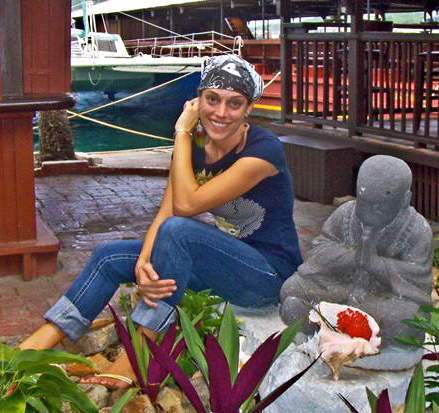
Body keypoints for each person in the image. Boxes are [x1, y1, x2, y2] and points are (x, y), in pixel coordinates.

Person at [20, 54, 303, 387]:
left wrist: (182, 131)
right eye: (212, 99)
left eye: (234, 104)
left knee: (179, 233)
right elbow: (166, 208)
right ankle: (38, 344)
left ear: (248, 109)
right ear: (198, 99)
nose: (221, 113)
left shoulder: (262, 151)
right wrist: (143, 265)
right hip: (223, 265)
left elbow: (185, 207)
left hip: (267, 276)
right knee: (108, 257)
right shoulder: (195, 145)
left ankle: (137, 353)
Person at [280, 155, 433, 368]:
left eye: (379, 207)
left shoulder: (417, 230)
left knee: (407, 320)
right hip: (341, 292)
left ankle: (331, 331)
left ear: (404, 200)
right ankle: (343, 333)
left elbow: (417, 279)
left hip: (381, 302)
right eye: (364, 203)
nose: (369, 212)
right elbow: (320, 251)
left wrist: (376, 264)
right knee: (291, 292)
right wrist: (354, 257)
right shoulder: (345, 214)